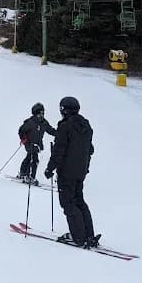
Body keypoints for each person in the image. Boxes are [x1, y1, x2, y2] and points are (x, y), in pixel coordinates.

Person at [44, 96, 98, 248]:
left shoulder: (65, 126)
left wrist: (50, 168)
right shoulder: (86, 126)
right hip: (80, 172)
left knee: (68, 203)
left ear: (63, 110)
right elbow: (90, 149)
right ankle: (88, 234)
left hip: (67, 172)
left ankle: (78, 237)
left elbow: (60, 150)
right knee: (79, 200)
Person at [16, 102, 56, 185]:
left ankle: (22, 173)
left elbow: (50, 130)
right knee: (34, 160)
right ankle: (30, 177)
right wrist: (23, 138)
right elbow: (21, 130)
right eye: (39, 114)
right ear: (35, 114)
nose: (41, 116)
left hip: (37, 145)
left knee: (28, 158)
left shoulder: (44, 123)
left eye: (43, 113)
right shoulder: (30, 122)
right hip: (29, 143)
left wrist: (59, 133)